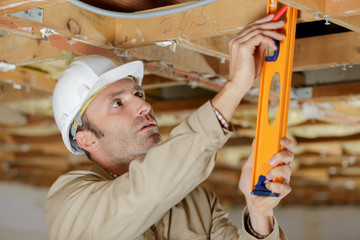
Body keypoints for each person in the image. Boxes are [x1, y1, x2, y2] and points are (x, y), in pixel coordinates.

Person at [46, 14, 293, 239]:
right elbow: (144, 192)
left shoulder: (198, 201)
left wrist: (259, 213)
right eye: (117, 103)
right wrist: (236, 86)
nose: (144, 106)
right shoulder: (69, 203)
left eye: (139, 95)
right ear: (87, 139)